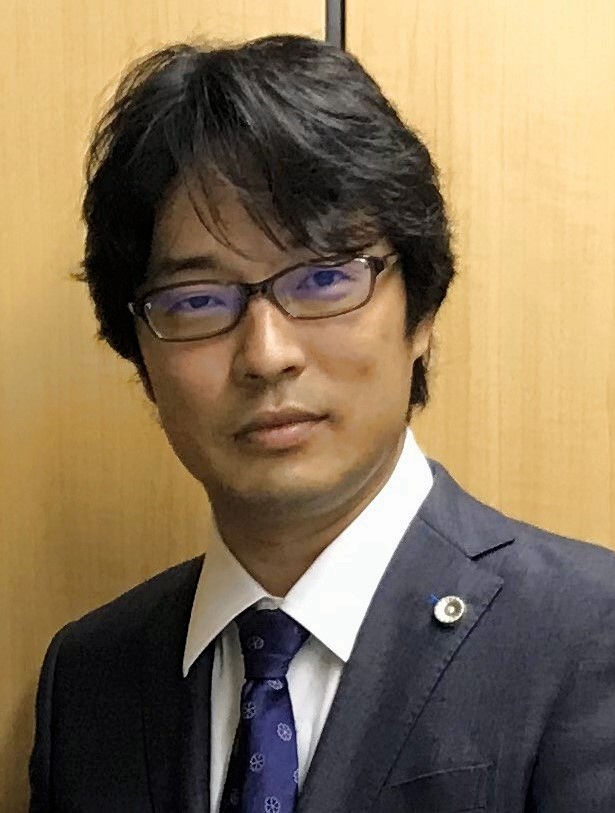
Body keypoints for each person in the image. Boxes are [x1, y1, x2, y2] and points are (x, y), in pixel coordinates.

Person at [29, 35, 615, 813]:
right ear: (141, 357)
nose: (267, 354)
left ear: (420, 312)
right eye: (198, 299)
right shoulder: (89, 676)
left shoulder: (587, 633)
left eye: (324, 278)